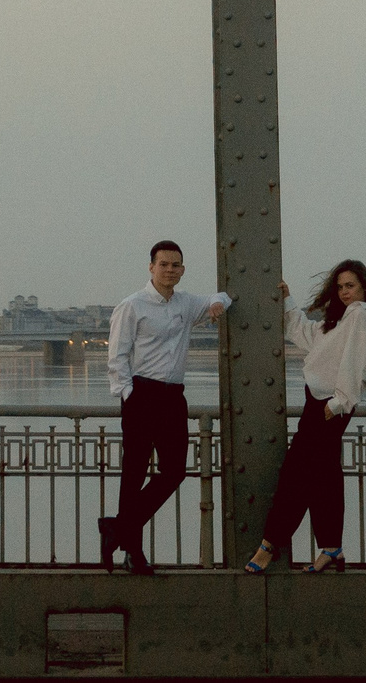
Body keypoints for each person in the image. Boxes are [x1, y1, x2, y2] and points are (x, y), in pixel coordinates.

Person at [243, 258, 366, 574]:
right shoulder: (341, 320)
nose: (343, 292)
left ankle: (270, 544)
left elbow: (361, 362)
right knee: (322, 477)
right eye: (339, 287)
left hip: (328, 407)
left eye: (350, 285)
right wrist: (288, 300)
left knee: (296, 474)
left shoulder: (361, 316)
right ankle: (330, 548)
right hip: (322, 404)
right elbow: (305, 334)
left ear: (364, 287)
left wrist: (337, 404)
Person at [100, 239, 229, 573]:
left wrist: (216, 304)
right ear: (151, 267)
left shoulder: (186, 304)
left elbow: (224, 296)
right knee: (134, 475)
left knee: (174, 471)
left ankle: (118, 527)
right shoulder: (133, 305)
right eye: (164, 264)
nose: (170, 270)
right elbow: (117, 355)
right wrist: (127, 395)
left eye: (176, 265)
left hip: (173, 398)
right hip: (142, 395)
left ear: (182, 269)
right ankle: (133, 553)